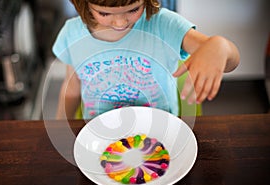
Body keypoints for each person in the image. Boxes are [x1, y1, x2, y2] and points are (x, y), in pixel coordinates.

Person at [53, 0, 240, 119]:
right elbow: (71, 89)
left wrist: (219, 46)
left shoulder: (165, 25)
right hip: (100, 137)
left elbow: (231, 61)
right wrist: (60, 128)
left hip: (160, 134)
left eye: (133, 9)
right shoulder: (72, 34)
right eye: (104, 13)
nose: (120, 23)